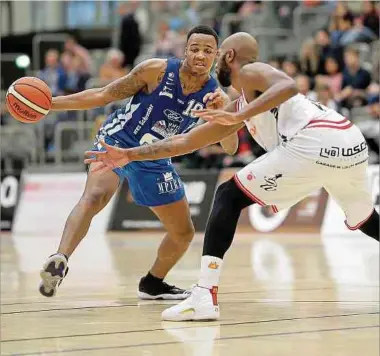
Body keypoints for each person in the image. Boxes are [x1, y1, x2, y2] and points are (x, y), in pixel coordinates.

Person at [85, 32, 379, 321]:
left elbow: (288, 85)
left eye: (217, 57)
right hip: (349, 143)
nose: (212, 67)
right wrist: (131, 154)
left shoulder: (251, 71)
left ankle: (204, 296)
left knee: (228, 194)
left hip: (316, 140)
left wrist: (239, 116)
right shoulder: (238, 105)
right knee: (365, 219)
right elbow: (185, 143)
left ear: (228, 57)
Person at [39, 25, 239, 300]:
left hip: (154, 157)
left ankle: (153, 283)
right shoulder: (155, 70)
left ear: (216, 56)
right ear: (185, 51)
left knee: (183, 234)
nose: (200, 56)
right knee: (94, 196)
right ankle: (60, 257)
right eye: (194, 49)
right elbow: (103, 95)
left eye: (207, 51)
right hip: (117, 142)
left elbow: (231, 146)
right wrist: (50, 103)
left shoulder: (217, 97)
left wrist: (220, 116)